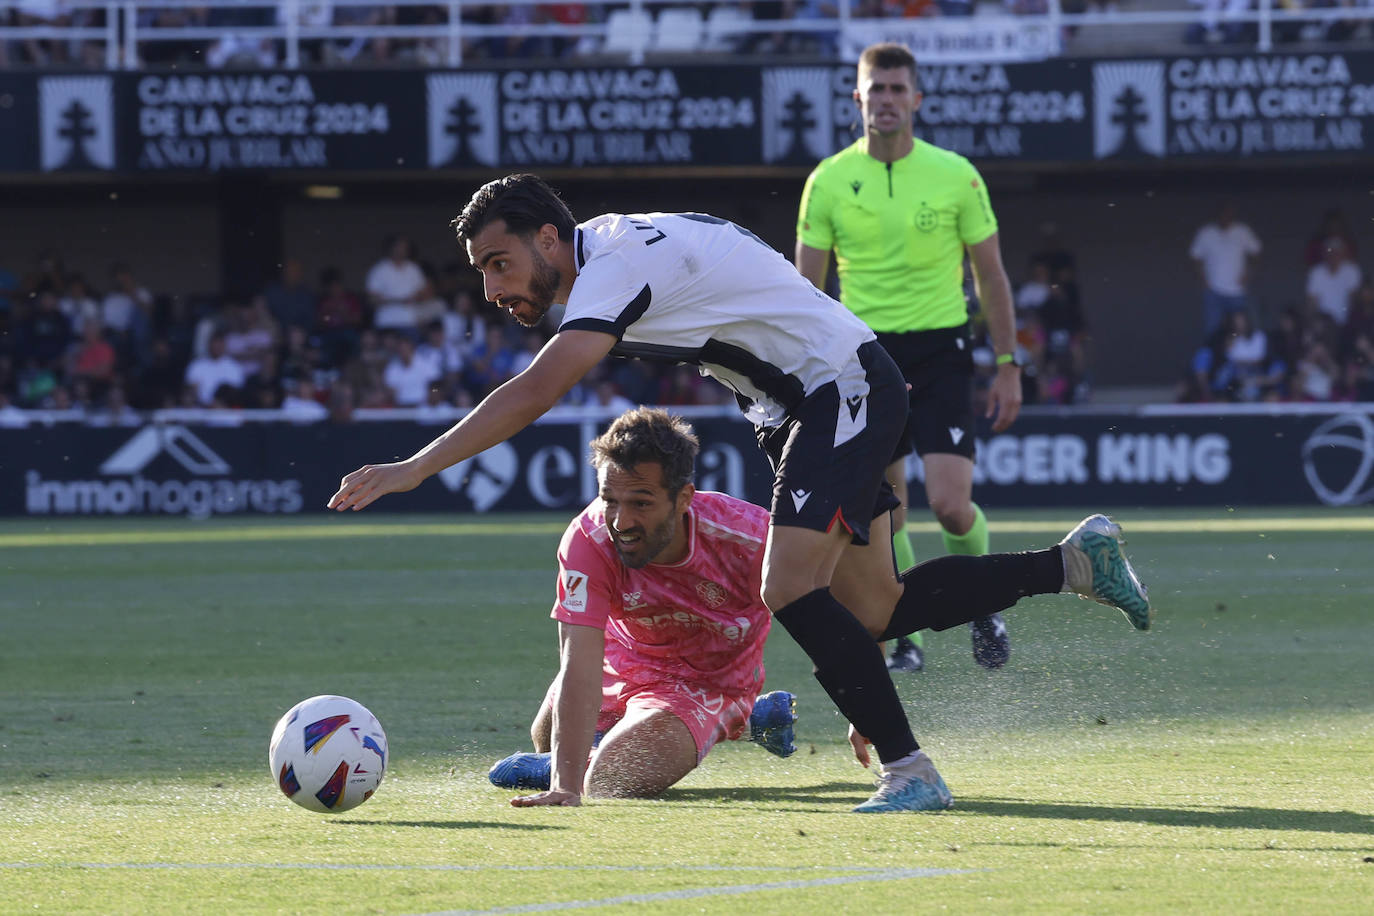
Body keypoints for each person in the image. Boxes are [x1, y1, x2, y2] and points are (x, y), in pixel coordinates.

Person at [328, 173, 1151, 812]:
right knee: (870, 610)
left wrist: (411, 468)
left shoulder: (608, 266)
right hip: (807, 400)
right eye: (481, 272)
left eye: (499, 263)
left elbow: (539, 390)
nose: (492, 288)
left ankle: (911, 771)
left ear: (551, 237)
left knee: (786, 585)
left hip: (837, 388)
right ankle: (1074, 565)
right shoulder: (614, 253)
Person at [795, 42, 1021, 674]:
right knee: (886, 511)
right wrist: (801, 374)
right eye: (877, 89)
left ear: (915, 100)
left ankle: (983, 607)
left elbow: (993, 275)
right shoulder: (830, 180)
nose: (887, 100)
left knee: (950, 504)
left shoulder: (956, 174)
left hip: (943, 351)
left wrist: (1008, 363)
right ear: (858, 99)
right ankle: (905, 638)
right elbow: (804, 290)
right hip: (866, 356)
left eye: (898, 89)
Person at [484, 408, 799, 799]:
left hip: (705, 684)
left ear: (683, 498)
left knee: (610, 780)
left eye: (641, 503)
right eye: (609, 500)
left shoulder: (749, 539)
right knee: (547, 739)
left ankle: (734, 713)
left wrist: (863, 707)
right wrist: (564, 785)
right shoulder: (588, 538)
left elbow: (831, 608)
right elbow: (577, 662)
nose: (620, 521)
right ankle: (757, 719)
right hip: (622, 662)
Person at [1189, 201, 1262, 340]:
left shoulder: (1242, 231)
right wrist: (1203, 279)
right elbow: (1196, 256)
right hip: (1214, 290)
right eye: (1223, 215)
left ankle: (1241, 355)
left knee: (1239, 328)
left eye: (1229, 215)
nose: (1226, 218)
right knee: (1212, 328)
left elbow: (1256, 253)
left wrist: (1248, 273)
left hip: (1237, 290)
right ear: (1218, 216)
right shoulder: (1206, 233)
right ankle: (1215, 357)